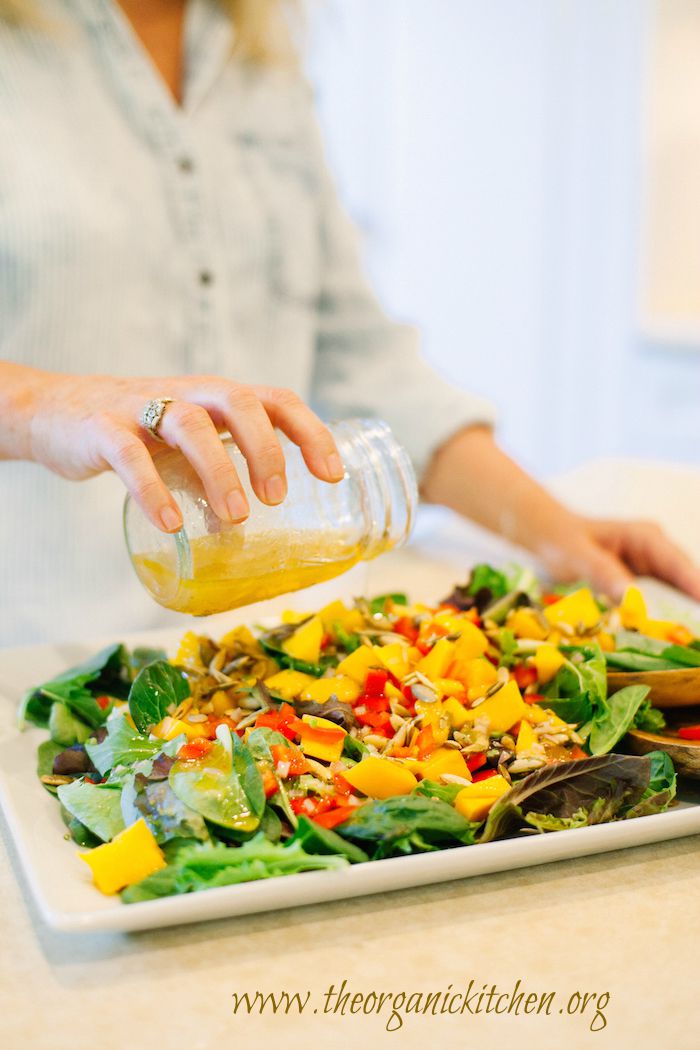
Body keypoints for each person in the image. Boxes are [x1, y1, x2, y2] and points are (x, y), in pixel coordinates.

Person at [1, 0, 699, 647]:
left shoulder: (258, 54)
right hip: (34, 659)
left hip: (255, 648)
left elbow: (359, 357)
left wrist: (557, 532)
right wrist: (40, 408)